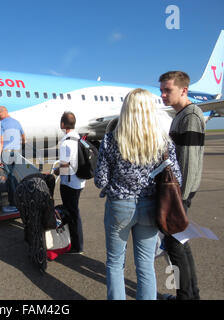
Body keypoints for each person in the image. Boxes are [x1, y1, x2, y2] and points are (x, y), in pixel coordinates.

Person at [94, 88, 182, 300]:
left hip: (119, 206)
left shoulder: (110, 140)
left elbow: (100, 180)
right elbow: (176, 177)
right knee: (145, 264)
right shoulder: (162, 141)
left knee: (115, 263)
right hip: (151, 206)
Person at [159, 71, 205, 300]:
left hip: (179, 194)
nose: (163, 94)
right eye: (162, 90)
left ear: (184, 90)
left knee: (174, 246)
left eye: (168, 90)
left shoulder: (191, 116)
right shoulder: (180, 115)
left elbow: (189, 162)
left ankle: (185, 296)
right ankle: (190, 294)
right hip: (178, 192)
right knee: (180, 245)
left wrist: (180, 199)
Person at [54, 111, 85, 255]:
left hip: (69, 183)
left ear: (62, 124)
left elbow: (64, 164)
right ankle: (75, 243)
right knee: (74, 211)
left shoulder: (66, 142)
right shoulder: (79, 138)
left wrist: (55, 171)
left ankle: (76, 246)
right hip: (79, 182)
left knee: (72, 213)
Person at [0, 106, 25, 211]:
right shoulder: (16, 122)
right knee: (16, 177)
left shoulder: (1, 124)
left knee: (10, 179)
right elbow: (24, 135)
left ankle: (13, 204)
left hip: (7, 153)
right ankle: (20, 201)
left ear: (0, 114)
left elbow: (0, 141)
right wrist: (22, 146)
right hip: (17, 153)